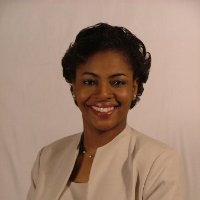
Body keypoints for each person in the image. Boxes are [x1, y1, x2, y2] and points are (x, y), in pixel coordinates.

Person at [27, 23, 186, 200]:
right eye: (89, 82)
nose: (103, 94)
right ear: (73, 87)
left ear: (134, 88)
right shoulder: (47, 157)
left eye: (117, 82)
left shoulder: (159, 162)